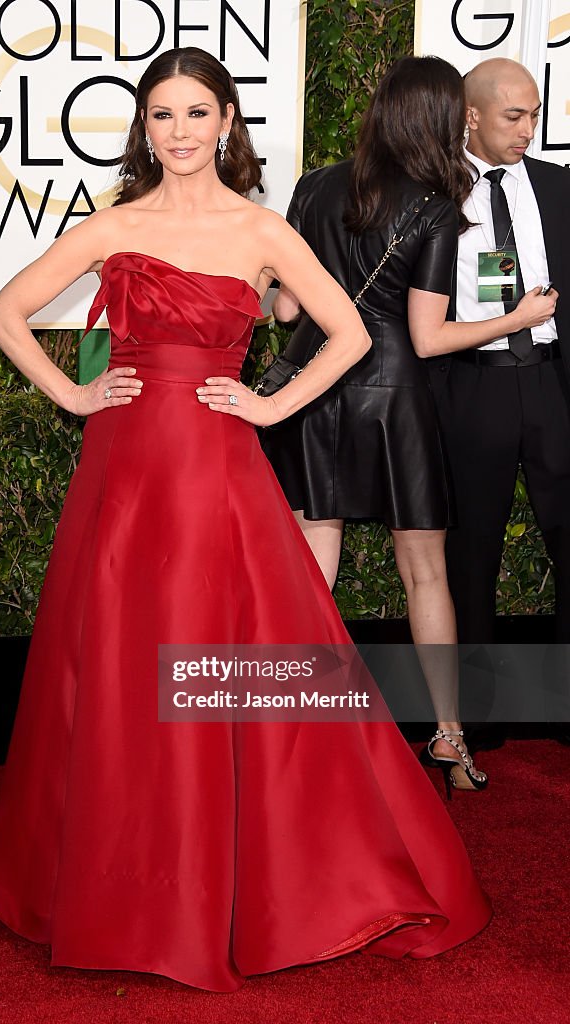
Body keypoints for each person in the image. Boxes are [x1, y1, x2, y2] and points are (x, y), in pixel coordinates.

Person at [0, 47, 491, 993]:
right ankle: (114, 882)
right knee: (122, 664)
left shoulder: (261, 229)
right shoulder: (113, 225)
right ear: (146, 128)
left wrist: (268, 406)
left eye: (196, 113)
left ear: (227, 124)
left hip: (216, 473)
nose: (179, 131)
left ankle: (234, 884)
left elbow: (350, 332)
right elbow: (5, 312)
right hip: (123, 476)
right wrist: (75, 394)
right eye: (162, 115)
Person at [261, 56, 556, 790]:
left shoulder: (313, 187)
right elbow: (427, 338)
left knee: (312, 573)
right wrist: (516, 318)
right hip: (394, 396)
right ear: (439, 118)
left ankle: (295, 738)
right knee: (426, 573)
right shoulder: (435, 203)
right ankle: (451, 741)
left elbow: (288, 311)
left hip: (315, 393)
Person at [427, 58, 570, 653]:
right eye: (515, 116)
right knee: (471, 554)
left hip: (549, 383)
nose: (527, 128)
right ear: (471, 116)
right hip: (471, 385)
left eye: (534, 114)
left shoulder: (560, 186)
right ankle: (475, 714)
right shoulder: (431, 193)